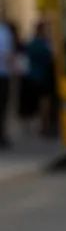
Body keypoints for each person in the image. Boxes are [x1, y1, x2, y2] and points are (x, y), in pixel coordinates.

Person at [22, 22, 56, 137]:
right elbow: (50, 58)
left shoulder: (31, 43)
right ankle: (44, 126)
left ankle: (39, 125)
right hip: (43, 77)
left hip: (33, 76)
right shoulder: (43, 44)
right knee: (44, 102)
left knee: (38, 102)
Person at [0, 17, 14, 147]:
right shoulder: (5, 32)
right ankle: (2, 135)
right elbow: (9, 55)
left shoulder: (5, 32)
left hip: (4, 74)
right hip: (3, 75)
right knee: (3, 107)